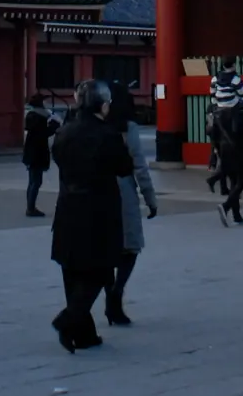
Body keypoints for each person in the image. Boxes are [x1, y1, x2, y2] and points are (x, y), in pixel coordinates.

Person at [49, 80, 132, 352]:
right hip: (98, 209)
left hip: (67, 206)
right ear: (104, 105)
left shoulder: (64, 131)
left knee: (72, 270)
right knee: (100, 270)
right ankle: (69, 319)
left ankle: (84, 334)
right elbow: (124, 167)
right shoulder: (107, 134)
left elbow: (58, 159)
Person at [105, 82, 157, 325]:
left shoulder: (96, 125)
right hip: (123, 190)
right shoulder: (128, 128)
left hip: (97, 190)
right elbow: (139, 165)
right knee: (130, 246)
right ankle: (117, 291)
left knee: (105, 248)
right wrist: (150, 197)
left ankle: (109, 294)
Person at [210, 93, 243, 226]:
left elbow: (212, 132)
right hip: (238, 150)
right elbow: (239, 131)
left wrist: (216, 147)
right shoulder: (237, 112)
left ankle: (236, 215)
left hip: (225, 150)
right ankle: (226, 206)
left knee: (234, 182)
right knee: (241, 181)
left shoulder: (217, 113)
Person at [23, 92, 56, 217]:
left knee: (32, 181)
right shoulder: (39, 117)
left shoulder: (31, 115)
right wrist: (53, 128)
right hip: (37, 153)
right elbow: (42, 134)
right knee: (36, 182)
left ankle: (30, 206)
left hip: (31, 152)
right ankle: (30, 208)